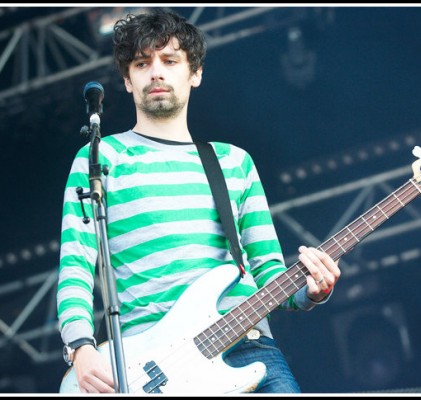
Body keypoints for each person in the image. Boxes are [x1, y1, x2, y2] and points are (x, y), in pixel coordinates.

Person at [56, 8, 341, 394]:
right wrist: (80, 347)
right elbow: (75, 265)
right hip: (151, 369)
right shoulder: (101, 159)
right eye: (142, 63)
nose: (156, 72)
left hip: (245, 345)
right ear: (127, 80)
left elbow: (269, 272)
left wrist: (311, 290)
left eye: (170, 60)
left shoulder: (233, 162)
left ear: (195, 74)